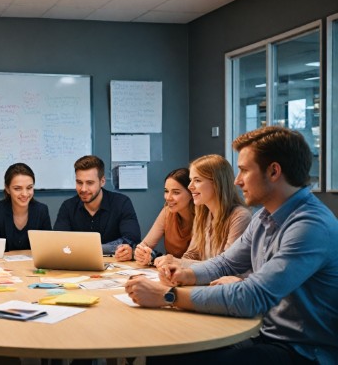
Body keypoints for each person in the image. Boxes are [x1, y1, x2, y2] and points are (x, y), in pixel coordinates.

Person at [125, 126, 338, 364]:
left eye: (244, 170)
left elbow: (252, 297)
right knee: (165, 350)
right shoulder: (264, 216)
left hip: (302, 351)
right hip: (263, 333)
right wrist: (187, 274)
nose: (237, 180)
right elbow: (226, 262)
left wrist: (169, 295)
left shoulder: (309, 226)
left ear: (274, 171)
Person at [154, 154, 251, 267]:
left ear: (217, 183)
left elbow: (226, 266)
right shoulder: (203, 213)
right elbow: (192, 254)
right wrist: (175, 267)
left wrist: (178, 262)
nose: (190, 186)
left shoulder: (240, 216)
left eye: (197, 180)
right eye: (191, 180)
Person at [53, 155, 140, 258]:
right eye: (79, 182)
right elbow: (59, 242)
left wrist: (88, 249)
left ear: (102, 181)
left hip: (116, 266)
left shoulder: (121, 203)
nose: (83, 189)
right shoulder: (68, 206)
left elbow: (131, 239)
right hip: (78, 264)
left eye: (90, 183)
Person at [0, 163, 51, 255]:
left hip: (32, 265)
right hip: (6, 266)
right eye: (17, 188)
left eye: (29, 188)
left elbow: (49, 244)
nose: (25, 194)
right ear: (7, 189)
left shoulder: (41, 210)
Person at [133, 168, 194, 266]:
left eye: (176, 192)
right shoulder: (167, 212)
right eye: (166, 191)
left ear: (192, 193)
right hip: (171, 272)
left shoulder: (204, 218)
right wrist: (143, 254)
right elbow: (144, 245)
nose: (168, 197)